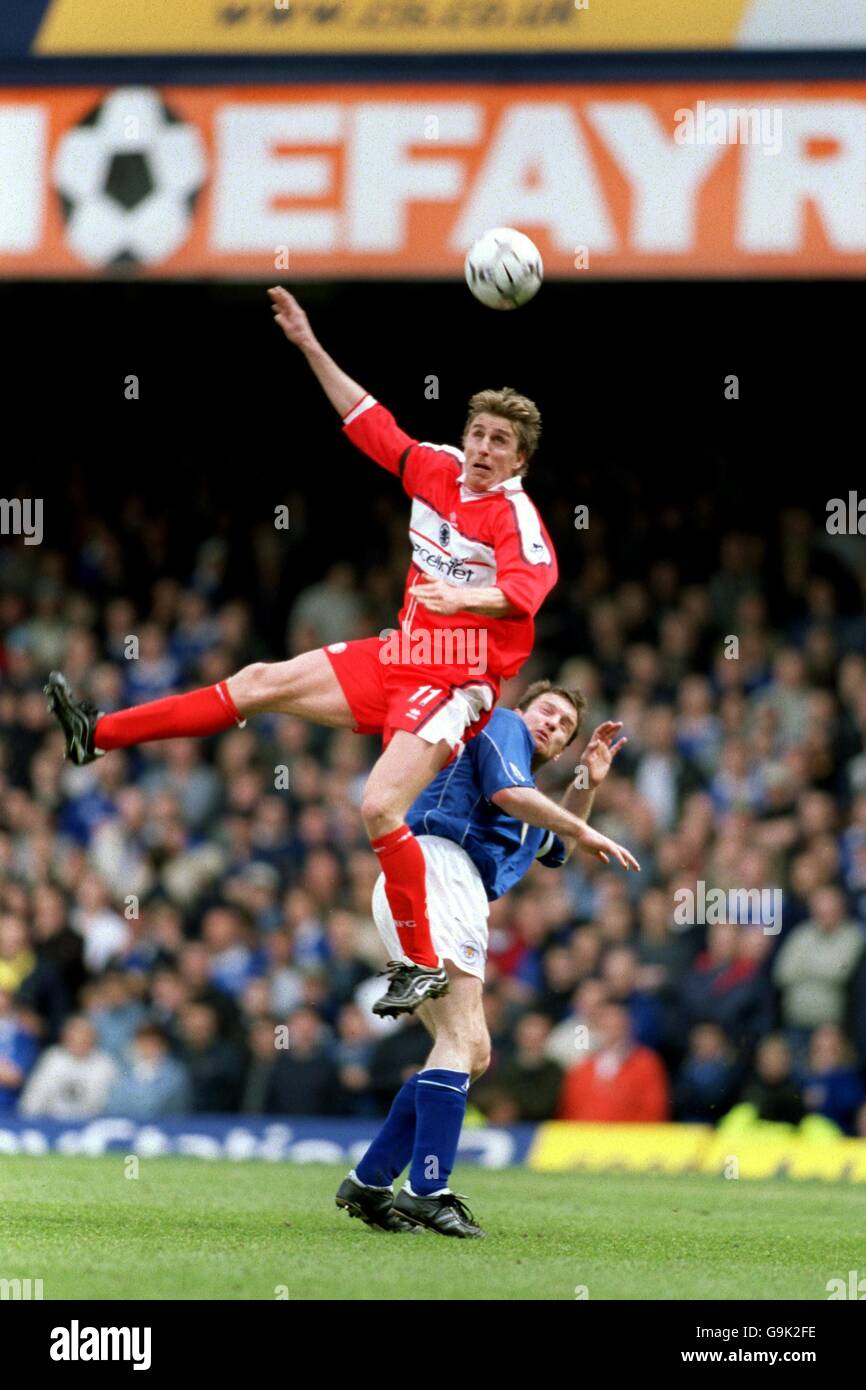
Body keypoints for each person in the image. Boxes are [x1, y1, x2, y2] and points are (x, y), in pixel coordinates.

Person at [45, 287, 567, 1016]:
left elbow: (525, 592)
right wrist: (309, 344)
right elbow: (369, 422)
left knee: (380, 807)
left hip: (457, 684)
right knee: (258, 680)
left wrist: (463, 601)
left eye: (499, 442)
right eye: (477, 433)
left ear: (520, 460)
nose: (482, 449)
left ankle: (420, 965)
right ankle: (95, 735)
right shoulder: (439, 469)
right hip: (399, 657)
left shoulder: (517, 516)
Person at [335, 679, 640, 1238]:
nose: (552, 725)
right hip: (439, 870)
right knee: (460, 1042)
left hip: (434, 883)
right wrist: (584, 823)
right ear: (522, 711)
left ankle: (371, 1179)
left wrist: (586, 786)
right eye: (546, 712)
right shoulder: (498, 726)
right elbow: (512, 800)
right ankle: (428, 1189)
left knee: (470, 1050)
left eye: (565, 727)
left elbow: (560, 850)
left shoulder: (529, 793)